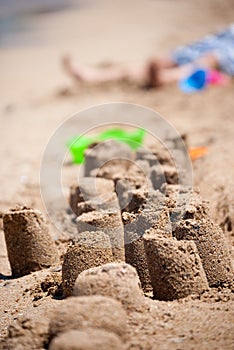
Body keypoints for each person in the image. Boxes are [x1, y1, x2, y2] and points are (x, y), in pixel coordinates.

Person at [62, 24, 234, 88]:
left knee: (212, 58)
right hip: (214, 42)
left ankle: (165, 77)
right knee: (163, 60)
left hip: (222, 54)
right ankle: (90, 75)